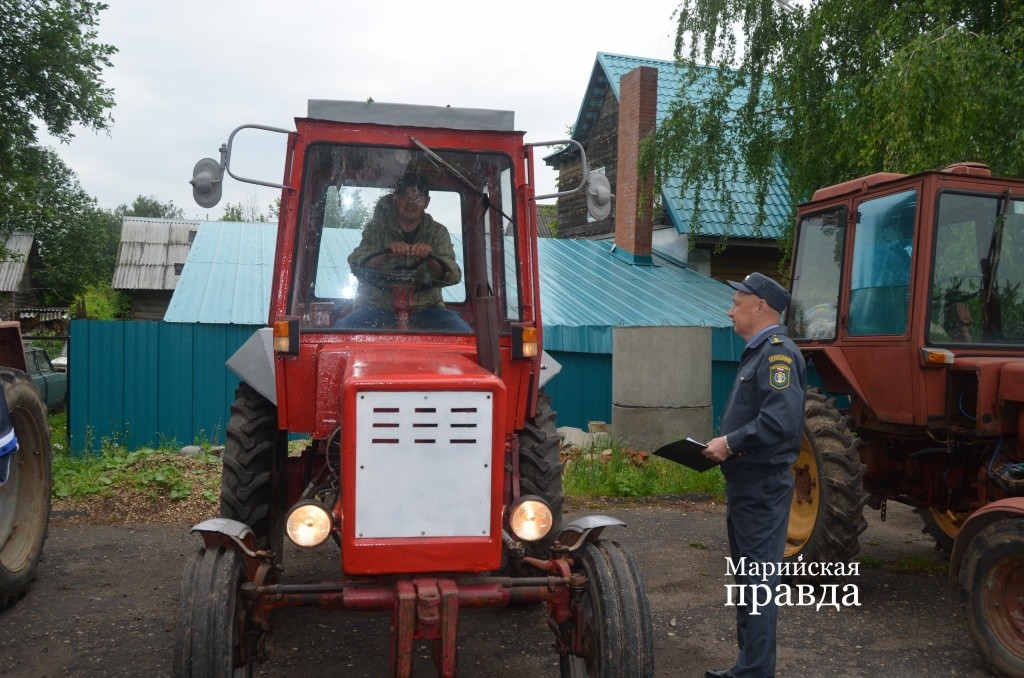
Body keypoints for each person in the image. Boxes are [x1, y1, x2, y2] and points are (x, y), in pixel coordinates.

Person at [701, 272, 807, 678]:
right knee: (749, 581)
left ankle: (755, 672)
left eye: (737, 303)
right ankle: (748, 666)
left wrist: (729, 442)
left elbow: (780, 421)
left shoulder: (777, 353)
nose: (730, 310)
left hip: (762, 484)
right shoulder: (759, 352)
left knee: (758, 583)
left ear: (760, 307)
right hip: (748, 484)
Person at [335, 172, 471, 332]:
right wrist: (386, 255)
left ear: (427, 202)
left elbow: (453, 275)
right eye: (406, 195)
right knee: (340, 330)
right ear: (396, 198)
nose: (411, 202)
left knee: (463, 332)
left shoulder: (438, 232)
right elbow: (357, 263)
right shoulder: (377, 229)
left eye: (418, 197)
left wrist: (431, 258)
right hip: (378, 307)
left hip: (426, 310)